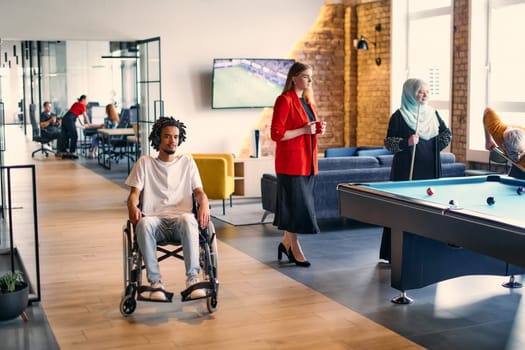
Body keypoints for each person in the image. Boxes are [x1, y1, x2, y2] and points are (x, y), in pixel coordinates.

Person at [125, 116, 210, 301]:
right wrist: (132, 205)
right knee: (144, 223)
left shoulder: (187, 163)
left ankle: (193, 280)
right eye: (167, 136)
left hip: (182, 222)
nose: (173, 141)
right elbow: (134, 194)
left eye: (176, 137)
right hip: (155, 223)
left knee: (188, 219)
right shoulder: (145, 163)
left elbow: (199, 192)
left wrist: (204, 203)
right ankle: (155, 283)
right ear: (157, 138)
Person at [379, 78, 451, 261]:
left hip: (430, 168)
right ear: (410, 93)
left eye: (427, 91)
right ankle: (398, 252)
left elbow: (446, 134)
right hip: (406, 171)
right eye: (420, 91)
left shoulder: (433, 114)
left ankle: (428, 248)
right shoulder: (399, 115)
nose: (425, 95)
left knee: (429, 208)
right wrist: (406, 142)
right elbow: (389, 143)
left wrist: (434, 144)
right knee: (403, 210)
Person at [270, 61, 326, 268]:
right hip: (291, 163)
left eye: (311, 76)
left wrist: (317, 129)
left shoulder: (308, 101)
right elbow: (276, 134)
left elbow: (307, 129)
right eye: (305, 76)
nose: (309, 80)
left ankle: (286, 243)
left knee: (295, 206)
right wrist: (304, 131)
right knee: (297, 207)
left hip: (308, 162)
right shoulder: (284, 100)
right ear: (293, 78)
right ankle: (294, 247)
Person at [483, 107, 525, 178]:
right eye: (513, 153)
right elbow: (487, 111)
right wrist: (488, 139)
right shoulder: (497, 132)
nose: (517, 157)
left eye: (521, 152)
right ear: (504, 146)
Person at [57, 95, 90, 159]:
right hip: (70, 119)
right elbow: (85, 116)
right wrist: (89, 124)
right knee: (74, 136)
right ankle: (72, 152)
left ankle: (62, 151)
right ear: (83, 100)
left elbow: (76, 115)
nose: (87, 102)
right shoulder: (82, 105)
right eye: (87, 100)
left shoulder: (76, 104)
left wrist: (82, 124)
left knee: (64, 135)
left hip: (65, 118)